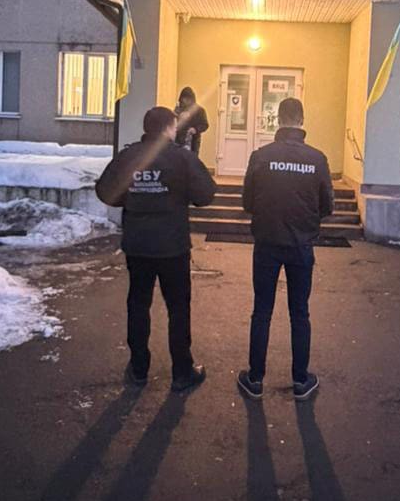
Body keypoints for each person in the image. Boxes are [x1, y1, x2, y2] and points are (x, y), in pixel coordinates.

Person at [95, 105, 216, 392]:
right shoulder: (182, 158)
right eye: (174, 126)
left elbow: (105, 191)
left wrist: (132, 198)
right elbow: (206, 194)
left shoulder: (128, 156)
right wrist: (180, 194)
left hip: (138, 246)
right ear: (168, 128)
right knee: (178, 308)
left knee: (138, 304)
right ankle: (182, 372)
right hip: (172, 247)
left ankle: (138, 369)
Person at [237, 97, 333, 401]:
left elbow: (247, 202)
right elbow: (327, 206)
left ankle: (255, 379)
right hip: (301, 246)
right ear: (301, 120)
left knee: (262, 311)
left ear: (278, 120)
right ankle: (301, 380)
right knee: (300, 313)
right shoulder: (317, 159)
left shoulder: (260, 156)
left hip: (267, 243)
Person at [174, 86, 209, 156]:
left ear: (192, 99)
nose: (185, 101)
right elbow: (173, 122)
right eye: (184, 98)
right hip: (178, 141)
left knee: (192, 159)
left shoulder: (200, 110)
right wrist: (178, 116)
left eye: (187, 99)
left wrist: (195, 129)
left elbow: (205, 124)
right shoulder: (178, 109)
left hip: (193, 142)